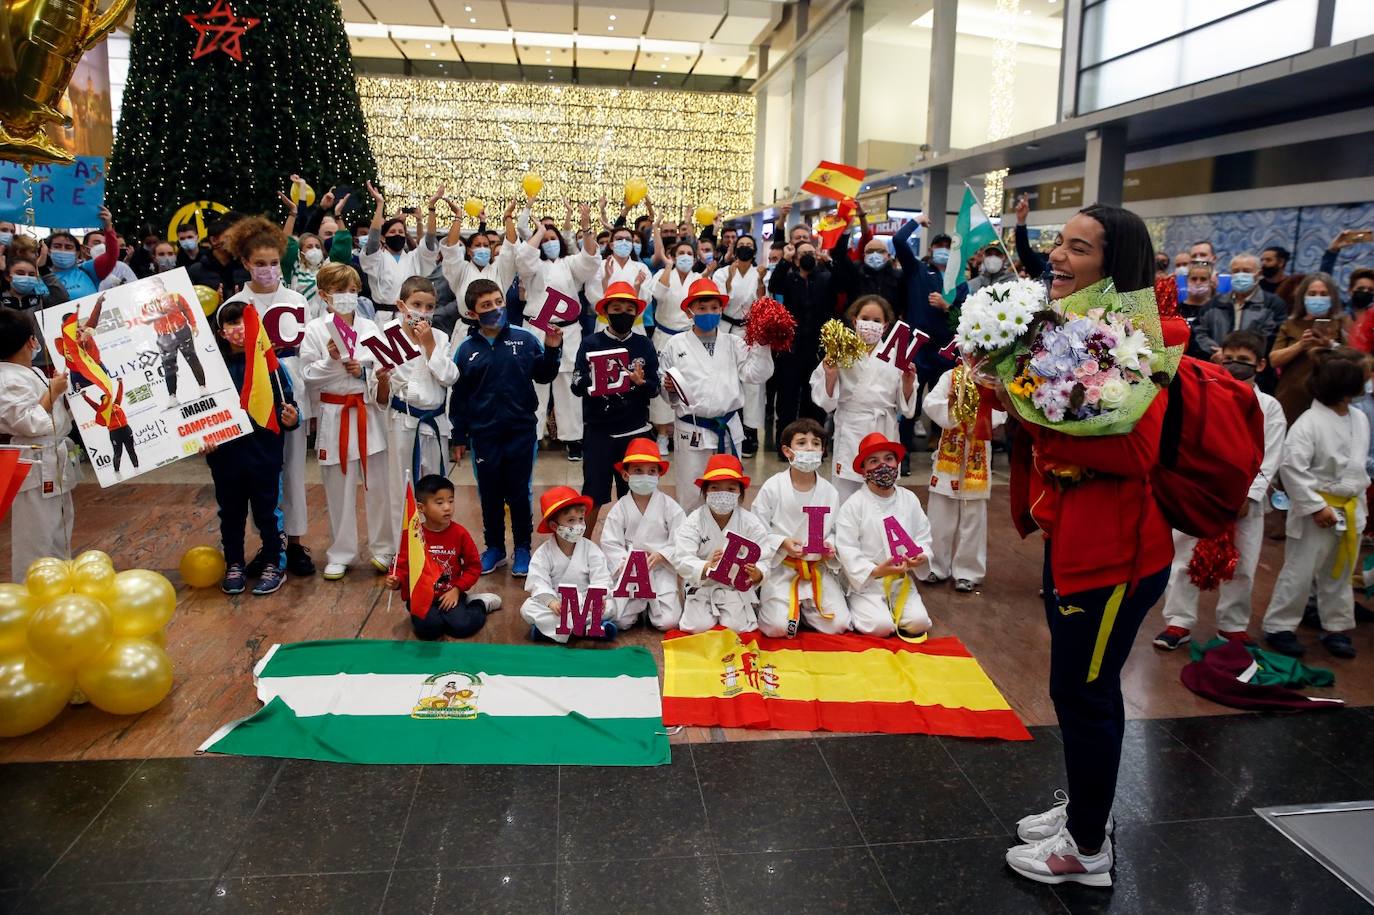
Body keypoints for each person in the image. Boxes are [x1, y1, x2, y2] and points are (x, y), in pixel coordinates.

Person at [1001, 204, 1174, 888]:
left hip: (1114, 558)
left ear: (1114, 262)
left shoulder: (1139, 339)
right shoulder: (1076, 326)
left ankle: (1088, 851)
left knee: (1084, 691)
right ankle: (1087, 810)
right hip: (1075, 540)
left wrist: (1032, 413)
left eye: (1077, 247)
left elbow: (1135, 448)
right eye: (1057, 244)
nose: (1058, 257)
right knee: (1081, 690)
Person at [1153, 331, 1287, 650]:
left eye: (1245, 361)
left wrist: (1249, 494)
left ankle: (1233, 625)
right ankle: (1178, 621)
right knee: (1184, 558)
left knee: (1243, 565)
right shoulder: (1205, 393)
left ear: (1262, 364)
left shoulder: (1270, 407)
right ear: (1218, 358)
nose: (1236, 366)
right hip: (1201, 493)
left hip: (1245, 503)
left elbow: (1271, 455)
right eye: (1230, 359)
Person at [221, 217, 316, 577]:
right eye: (259, 263)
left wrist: (306, 399)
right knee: (258, 473)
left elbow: (309, 348)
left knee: (292, 469)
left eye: (273, 262)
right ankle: (269, 544)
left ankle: (294, 542)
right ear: (245, 263)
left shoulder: (296, 300)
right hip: (249, 392)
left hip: (290, 387)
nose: (267, 269)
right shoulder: (234, 304)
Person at [449, 278, 563, 577]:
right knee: (489, 493)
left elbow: (543, 375)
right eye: (486, 306)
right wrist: (458, 435)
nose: (496, 309)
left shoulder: (525, 340)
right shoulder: (465, 350)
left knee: (518, 492)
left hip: (521, 431)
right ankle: (495, 548)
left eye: (499, 302)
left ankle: (523, 547)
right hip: (484, 434)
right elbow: (459, 397)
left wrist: (552, 349)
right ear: (473, 314)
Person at [1260, 350, 1369, 660]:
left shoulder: (1359, 418)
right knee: (1300, 571)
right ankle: (1279, 626)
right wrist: (1314, 505)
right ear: (1345, 386)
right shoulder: (1308, 423)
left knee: (1340, 573)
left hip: (1350, 507)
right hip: (1317, 510)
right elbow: (1292, 468)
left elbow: (1357, 465)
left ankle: (1336, 627)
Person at [301, 262, 389, 580]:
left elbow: (384, 368)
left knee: (378, 485)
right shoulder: (314, 330)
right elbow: (308, 376)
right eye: (340, 291)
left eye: (352, 290)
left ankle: (383, 549)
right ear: (324, 296)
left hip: (366, 412)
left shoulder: (370, 328)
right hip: (334, 413)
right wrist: (332, 361)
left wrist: (363, 371)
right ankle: (341, 552)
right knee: (337, 489)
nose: (347, 296)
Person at [204, 301, 298, 595]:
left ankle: (274, 563)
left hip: (264, 454)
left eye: (245, 322)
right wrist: (201, 439)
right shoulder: (210, 369)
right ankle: (234, 563)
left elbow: (289, 405)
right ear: (221, 332)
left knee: (268, 514)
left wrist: (292, 419)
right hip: (225, 457)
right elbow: (197, 413)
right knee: (230, 514)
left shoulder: (271, 365)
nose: (239, 329)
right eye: (232, 324)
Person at [658, 278, 774, 511]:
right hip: (692, 429)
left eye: (714, 308)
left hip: (727, 426)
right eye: (702, 308)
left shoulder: (734, 342)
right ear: (690, 312)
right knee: (691, 493)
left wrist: (762, 343)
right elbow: (665, 384)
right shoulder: (675, 344)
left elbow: (756, 375)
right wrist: (667, 388)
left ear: (722, 310)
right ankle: (691, 542)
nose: (708, 313)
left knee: (728, 490)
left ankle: (726, 539)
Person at [374, 274, 459, 565]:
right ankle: (401, 551)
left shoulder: (441, 337)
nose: (422, 312)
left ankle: (436, 547)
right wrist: (382, 381)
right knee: (400, 487)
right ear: (401, 305)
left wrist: (430, 346)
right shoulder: (386, 337)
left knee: (436, 489)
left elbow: (449, 377)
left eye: (429, 306)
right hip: (402, 422)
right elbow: (380, 398)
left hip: (434, 424)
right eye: (416, 304)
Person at [810, 295, 917, 502]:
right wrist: (831, 374)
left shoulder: (898, 355)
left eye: (877, 321)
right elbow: (825, 402)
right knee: (846, 494)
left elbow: (907, 409)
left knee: (883, 493)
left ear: (886, 326)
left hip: (883, 429)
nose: (870, 324)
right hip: (851, 428)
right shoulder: (840, 351)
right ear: (854, 320)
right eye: (865, 318)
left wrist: (907, 382)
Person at [751, 419, 851, 637]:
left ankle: (803, 610)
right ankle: (788, 609)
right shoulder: (773, 487)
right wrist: (782, 542)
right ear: (787, 450)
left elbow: (837, 530)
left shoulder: (830, 491)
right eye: (802, 443)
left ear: (823, 450)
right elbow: (756, 528)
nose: (809, 448)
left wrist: (830, 545)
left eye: (816, 444)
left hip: (816, 570)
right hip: (783, 569)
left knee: (839, 625)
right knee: (778, 629)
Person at [515, 202, 600, 459]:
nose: (549, 242)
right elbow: (523, 259)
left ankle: (573, 439)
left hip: (567, 331)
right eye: (545, 239)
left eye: (553, 238)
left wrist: (585, 227)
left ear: (561, 242)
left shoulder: (569, 263)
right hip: (536, 328)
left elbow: (590, 261)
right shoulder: (534, 266)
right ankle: (532, 435)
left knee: (567, 385)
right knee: (535, 384)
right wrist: (539, 231)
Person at [570, 281, 659, 522]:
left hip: (635, 433)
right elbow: (576, 385)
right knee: (592, 495)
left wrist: (641, 383)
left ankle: (634, 552)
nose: (623, 314)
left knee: (635, 495)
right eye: (617, 309)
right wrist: (596, 379)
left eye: (629, 310)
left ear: (636, 314)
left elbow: (655, 389)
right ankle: (583, 549)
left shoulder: (644, 345)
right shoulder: (590, 344)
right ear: (605, 311)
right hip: (599, 432)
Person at [0, 310, 79, 580]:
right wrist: (53, 391)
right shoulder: (6, 379)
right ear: (31, 342)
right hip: (33, 460)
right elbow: (28, 423)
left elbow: (52, 413)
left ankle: (60, 588)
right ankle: (32, 596)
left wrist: (60, 394)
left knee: (61, 529)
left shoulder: (30, 372)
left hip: (54, 456)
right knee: (36, 536)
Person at [834, 432, 933, 638]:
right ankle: (856, 604)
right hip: (868, 583)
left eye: (888, 459)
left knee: (919, 623)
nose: (883, 466)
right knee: (880, 627)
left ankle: (894, 606)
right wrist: (876, 570)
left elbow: (923, 534)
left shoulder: (910, 499)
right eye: (874, 461)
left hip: (900, 580)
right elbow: (846, 548)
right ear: (863, 471)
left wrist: (922, 556)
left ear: (897, 463)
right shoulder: (853, 505)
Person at [384, 474, 501, 640]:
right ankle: (440, 617)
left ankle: (479, 604)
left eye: (451, 501)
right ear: (421, 507)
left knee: (462, 627)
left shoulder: (460, 533)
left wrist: (457, 589)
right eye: (439, 503)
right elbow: (401, 567)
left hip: (450, 592)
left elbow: (474, 567)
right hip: (421, 596)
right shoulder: (413, 536)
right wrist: (395, 581)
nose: (447, 507)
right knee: (430, 630)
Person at [923, 362, 1006, 592]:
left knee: (973, 515)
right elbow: (930, 403)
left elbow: (1000, 412)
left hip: (976, 452)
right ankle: (935, 565)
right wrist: (951, 404)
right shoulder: (950, 375)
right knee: (940, 512)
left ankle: (968, 571)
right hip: (949, 451)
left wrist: (976, 416)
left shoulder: (993, 380)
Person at [671, 454, 768, 633]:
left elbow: (765, 557)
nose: (722, 494)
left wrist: (758, 573)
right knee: (696, 627)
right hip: (702, 585)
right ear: (705, 491)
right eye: (715, 488)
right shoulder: (695, 520)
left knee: (738, 628)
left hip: (734, 588)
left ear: (740, 493)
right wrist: (706, 565)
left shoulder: (750, 523)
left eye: (731, 489)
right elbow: (682, 557)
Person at [599, 437, 685, 631]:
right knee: (620, 622)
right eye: (638, 471)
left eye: (651, 471)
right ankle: (638, 609)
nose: (645, 476)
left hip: (661, 568)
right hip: (630, 572)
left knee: (667, 622)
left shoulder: (670, 507)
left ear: (658, 476)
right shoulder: (619, 509)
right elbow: (610, 543)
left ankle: (652, 606)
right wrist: (625, 563)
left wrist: (664, 554)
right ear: (625, 475)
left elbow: (682, 539)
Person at [521, 485, 615, 643]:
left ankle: (548, 631)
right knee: (528, 608)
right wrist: (551, 602)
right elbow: (538, 581)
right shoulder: (543, 554)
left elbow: (601, 578)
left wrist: (596, 599)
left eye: (580, 519)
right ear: (554, 526)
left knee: (612, 606)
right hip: (559, 606)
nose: (578, 525)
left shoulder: (591, 549)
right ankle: (587, 629)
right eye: (571, 520)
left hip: (586, 603)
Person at [767, 236, 835, 450]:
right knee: (787, 398)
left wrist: (829, 262)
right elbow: (773, 284)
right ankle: (784, 444)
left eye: (811, 253)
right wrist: (785, 261)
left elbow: (841, 283)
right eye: (803, 254)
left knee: (813, 399)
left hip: (817, 349)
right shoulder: (789, 279)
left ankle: (813, 443)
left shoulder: (824, 278)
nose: (808, 257)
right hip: (791, 349)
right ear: (796, 258)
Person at [711, 234, 767, 456]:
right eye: (741, 245)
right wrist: (728, 282)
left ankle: (750, 429)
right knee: (724, 376)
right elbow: (719, 301)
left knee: (752, 382)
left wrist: (762, 281)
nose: (745, 249)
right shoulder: (722, 272)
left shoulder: (759, 273)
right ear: (734, 250)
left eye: (749, 246)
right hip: (725, 327)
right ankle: (721, 421)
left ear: (754, 251)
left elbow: (763, 303)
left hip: (749, 329)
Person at [648, 225, 703, 449]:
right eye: (681, 253)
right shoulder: (662, 274)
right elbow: (657, 295)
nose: (685, 257)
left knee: (690, 382)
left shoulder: (698, 277)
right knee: (665, 383)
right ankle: (662, 433)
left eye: (689, 254)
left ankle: (685, 430)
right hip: (664, 335)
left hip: (690, 337)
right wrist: (668, 267)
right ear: (672, 256)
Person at [1270, 272, 1350, 424]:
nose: (1317, 298)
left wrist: (1331, 345)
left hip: (1328, 397)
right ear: (1303, 297)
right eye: (1312, 294)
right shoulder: (1290, 324)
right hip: (1292, 397)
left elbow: (1352, 359)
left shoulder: (1339, 325)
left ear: (1331, 297)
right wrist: (1300, 345)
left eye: (1323, 294)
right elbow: (1274, 359)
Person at [436, 198, 519, 335]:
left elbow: (510, 246)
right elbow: (451, 248)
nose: (483, 249)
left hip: (496, 330)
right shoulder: (461, 270)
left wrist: (508, 217)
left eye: (486, 246)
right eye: (478, 245)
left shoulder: (499, 269)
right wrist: (458, 216)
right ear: (469, 250)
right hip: (465, 331)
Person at [359, 181, 443, 312]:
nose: (397, 235)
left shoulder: (414, 258)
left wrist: (431, 207)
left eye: (401, 232)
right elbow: (373, 237)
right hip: (383, 317)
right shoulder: (378, 258)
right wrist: (380, 204)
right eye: (392, 232)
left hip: (410, 315)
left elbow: (430, 239)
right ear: (383, 237)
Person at [1192, 254, 1282, 361]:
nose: (1240, 275)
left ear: (1258, 274)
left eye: (1246, 271)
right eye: (1236, 271)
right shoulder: (1214, 304)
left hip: (1253, 369)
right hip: (1216, 364)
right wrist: (1219, 352)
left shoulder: (1272, 304)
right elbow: (1199, 332)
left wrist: (1235, 354)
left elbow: (1271, 336)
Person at [46, 207, 117, 299]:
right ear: (48, 251)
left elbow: (111, 256)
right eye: (57, 246)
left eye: (68, 247)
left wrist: (108, 227)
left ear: (77, 253)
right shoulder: (37, 278)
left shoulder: (89, 270)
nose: (62, 250)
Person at [79, 377, 138, 478]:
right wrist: (85, 397)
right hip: (114, 432)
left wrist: (120, 382)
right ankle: (117, 471)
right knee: (118, 452)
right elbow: (93, 404)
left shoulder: (116, 404)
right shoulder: (101, 410)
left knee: (131, 449)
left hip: (125, 429)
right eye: (103, 400)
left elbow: (119, 393)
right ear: (102, 402)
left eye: (106, 398)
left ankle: (136, 468)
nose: (106, 400)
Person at [1177, 261, 1217, 359]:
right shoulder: (1176, 310)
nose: (1198, 283)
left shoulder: (1217, 309)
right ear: (1187, 281)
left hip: (1209, 363)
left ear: (1210, 282)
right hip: (1182, 362)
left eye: (1203, 279)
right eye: (1194, 279)